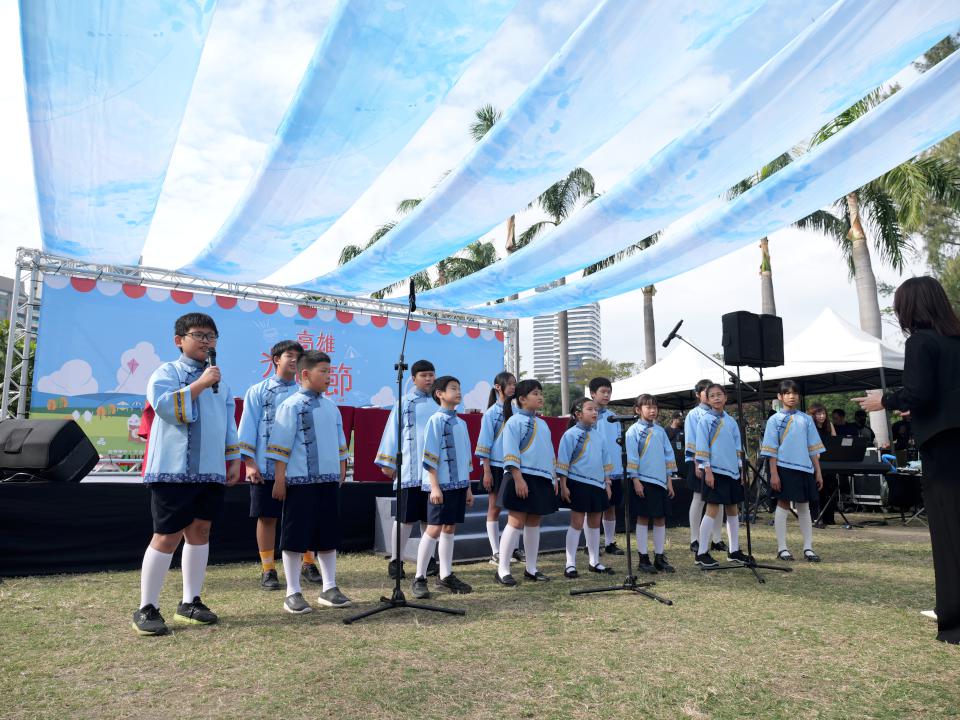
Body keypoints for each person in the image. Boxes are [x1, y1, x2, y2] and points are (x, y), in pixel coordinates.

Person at [854, 276, 960, 645]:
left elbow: (920, 392)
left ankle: (954, 619)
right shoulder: (956, 339)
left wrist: (882, 401)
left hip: (944, 451)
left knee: (949, 533)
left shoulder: (921, 342)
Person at [132, 313, 242, 637]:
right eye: (199, 335)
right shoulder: (165, 373)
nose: (206, 341)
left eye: (211, 336)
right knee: (167, 535)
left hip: (209, 470)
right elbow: (165, 407)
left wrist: (232, 457)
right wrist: (200, 384)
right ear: (179, 340)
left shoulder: (220, 381)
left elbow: (228, 422)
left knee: (201, 531)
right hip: (172, 470)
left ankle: (190, 602)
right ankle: (146, 607)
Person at [267, 350, 351, 613]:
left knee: (327, 535)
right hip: (299, 483)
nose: (329, 377)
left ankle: (329, 587)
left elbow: (340, 445)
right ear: (305, 374)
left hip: (327, 482)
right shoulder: (290, 406)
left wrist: (341, 471)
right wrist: (279, 479)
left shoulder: (331, 407)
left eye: (330, 372)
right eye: (323, 372)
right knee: (295, 537)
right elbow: (280, 446)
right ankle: (293, 592)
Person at [238, 340, 316, 591]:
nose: (294, 360)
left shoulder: (305, 393)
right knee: (267, 517)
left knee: (304, 517)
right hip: (266, 466)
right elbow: (247, 427)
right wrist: (250, 464)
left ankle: (308, 562)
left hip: (299, 468)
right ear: (276, 360)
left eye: (297, 357)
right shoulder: (258, 391)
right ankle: (268, 569)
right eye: (289, 356)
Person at [411, 376, 475, 598]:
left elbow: (466, 457)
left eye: (459, 388)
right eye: (453, 388)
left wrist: (467, 487)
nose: (458, 392)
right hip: (441, 486)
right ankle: (419, 577)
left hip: (459, 485)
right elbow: (429, 456)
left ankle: (445, 575)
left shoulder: (462, 423)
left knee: (450, 528)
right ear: (439, 394)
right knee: (434, 528)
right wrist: (435, 487)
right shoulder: (435, 421)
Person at [375, 359, 439, 580]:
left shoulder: (440, 403)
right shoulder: (405, 403)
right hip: (410, 470)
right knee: (405, 519)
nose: (429, 379)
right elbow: (393, 431)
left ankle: (429, 559)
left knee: (429, 519)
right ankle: (396, 560)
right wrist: (389, 462)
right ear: (413, 379)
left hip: (433, 474)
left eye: (431, 374)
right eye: (424, 375)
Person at [495, 379, 558, 586]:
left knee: (534, 523)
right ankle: (502, 568)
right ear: (522, 399)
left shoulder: (543, 423)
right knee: (515, 522)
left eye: (541, 393)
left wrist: (553, 476)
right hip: (520, 477)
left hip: (541, 478)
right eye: (535, 393)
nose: (540, 397)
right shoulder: (513, 422)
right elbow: (510, 452)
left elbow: (549, 452)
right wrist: (518, 478)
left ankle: (531, 568)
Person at [762, 380, 825, 562]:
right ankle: (782, 548)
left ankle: (808, 548)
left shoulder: (806, 419)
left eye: (795, 393)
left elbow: (813, 447)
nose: (792, 396)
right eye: (787, 393)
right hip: (783, 467)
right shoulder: (774, 420)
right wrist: (774, 473)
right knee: (783, 505)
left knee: (804, 506)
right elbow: (771, 449)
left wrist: (818, 471)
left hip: (805, 468)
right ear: (780, 397)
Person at [556, 397, 614, 579]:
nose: (595, 412)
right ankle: (570, 563)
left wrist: (607, 483)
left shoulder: (599, 436)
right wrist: (563, 485)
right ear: (578, 414)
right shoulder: (570, 435)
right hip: (577, 482)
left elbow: (605, 461)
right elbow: (563, 462)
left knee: (595, 523)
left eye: (595, 409)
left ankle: (594, 561)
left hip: (598, 484)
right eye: (590, 409)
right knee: (577, 523)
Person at [693, 384, 750, 568]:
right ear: (707, 400)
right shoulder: (705, 420)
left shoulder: (731, 421)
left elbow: (737, 447)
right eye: (712, 396)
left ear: (726, 397)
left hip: (732, 471)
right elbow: (701, 446)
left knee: (733, 509)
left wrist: (741, 469)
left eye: (720, 395)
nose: (716, 398)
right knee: (712, 509)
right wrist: (707, 470)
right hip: (714, 471)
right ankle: (701, 552)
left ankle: (734, 551)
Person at [626, 394, 677, 574]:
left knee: (660, 518)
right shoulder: (632, 431)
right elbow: (632, 457)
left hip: (661, 482)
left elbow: (668, 455)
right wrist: (636, 480)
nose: (653, 410)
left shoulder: (660, 431)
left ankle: (659, 557)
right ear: (638, 410)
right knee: (643, 518)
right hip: (643, 481)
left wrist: (669, 480)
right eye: (648, 407)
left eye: (655, 406)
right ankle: (643, 558)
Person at [475, 371, 519, 566]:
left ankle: (513, 549)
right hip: (494, 466)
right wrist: (485, 471)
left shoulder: (517, 412)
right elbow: (484, 444)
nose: (513, 387)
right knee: (494, 508)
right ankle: (495, 552)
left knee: (516, 508)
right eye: (509, 384)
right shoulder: (491, 413)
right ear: (498, 387)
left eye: (514, 384)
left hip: (514, 467)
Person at [685, 379, 725, 554]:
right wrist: (697, 463)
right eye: (706, 392)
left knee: (719, 501)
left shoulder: (721, 414)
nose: (711, 396)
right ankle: (695, 538)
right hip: (700, 463)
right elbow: (692, 441)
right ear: (698, 394)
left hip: (719, 464)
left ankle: (717, 539)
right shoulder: (694, 414)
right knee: (699, 499)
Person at [589, 377, 625, 556]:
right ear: (592, 393)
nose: (606, 395)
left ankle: (610, 542)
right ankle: (591, 545)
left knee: (611, 507)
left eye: (609, 392)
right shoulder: (589, 417)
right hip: (595, 471)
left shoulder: (614, 417)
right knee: (594, 509)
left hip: (615, 470)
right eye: (602, 391)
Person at [807, 402, 838, 526]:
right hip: (815, 461)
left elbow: (835, 441)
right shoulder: (810, 426)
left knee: (830, 489)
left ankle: (829, 518)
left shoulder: (829, 425)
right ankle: (816, 517)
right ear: (813, 415)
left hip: (829, 460)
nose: (822, 416)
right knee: (817, 490)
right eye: (818, 414)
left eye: (823, 413)